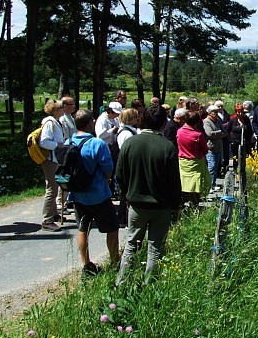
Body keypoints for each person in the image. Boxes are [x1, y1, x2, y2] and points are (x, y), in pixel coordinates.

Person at [114, 104, 182, 287]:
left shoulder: (130, 143)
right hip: (161, 206)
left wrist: (127, 195)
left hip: (136, 204)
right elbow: (174, 181)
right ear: (162, 124)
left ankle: (121, 283)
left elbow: (119, 174)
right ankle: (150, 285)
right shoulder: (167, 147)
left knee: (131, 245)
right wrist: (176, 205)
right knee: (155, 248)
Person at [69, 109, 120, 277]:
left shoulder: (69, 142)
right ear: (90, 123)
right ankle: (115, 261)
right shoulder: (97, 144)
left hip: (77, 194)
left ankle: (86, 264)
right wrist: (106, 179)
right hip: (98, 194)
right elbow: (108, 168)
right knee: (112, 228)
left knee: (83, 229)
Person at [38, 99, 66, 231]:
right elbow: (44, 142)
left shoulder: (55, 122)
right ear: (55, 110)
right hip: (50, 160)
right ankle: (47, 220)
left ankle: (54, 214)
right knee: (52, 189)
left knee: (55, 186)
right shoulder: (50, 123)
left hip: (55, 159)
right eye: (61, 107)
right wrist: (58, 146)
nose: (63, 109)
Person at [177, 111, 209, 208]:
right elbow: (205, 150)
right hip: (196, 162)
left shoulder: (179, 131)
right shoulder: (198, 135)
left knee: (183, 182)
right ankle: (194, 205)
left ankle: (182, 203)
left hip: (182, 161)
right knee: (196, 185)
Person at [203, 105, 227, 192]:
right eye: (214, 112)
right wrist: (219, 133)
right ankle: (208, 186)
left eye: (217, 112)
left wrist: (218, 134)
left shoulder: (218, 121)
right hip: (211, 148)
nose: (216, 114)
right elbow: (209, 134)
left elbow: (225, 132)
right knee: (211, 167)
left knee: (216, 166)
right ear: (209, 113)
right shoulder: (206, 122)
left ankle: (213, 184)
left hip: (218, 147)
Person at [228, 103, 252, 171]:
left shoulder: (246, 119)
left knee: (245, 157)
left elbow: (250, 131)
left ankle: (244, 172)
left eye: (241, 112)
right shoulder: (232, 120)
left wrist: (248, 140)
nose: (240, 114)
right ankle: (236, 172)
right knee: (235, 158)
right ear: (236, 112)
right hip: (235, 143)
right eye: (238, 112)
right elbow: (227, 131)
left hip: (245, 143)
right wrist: (231, 140)